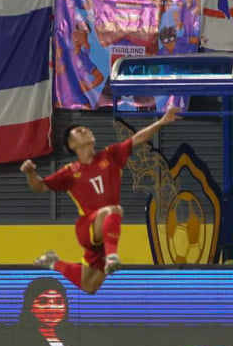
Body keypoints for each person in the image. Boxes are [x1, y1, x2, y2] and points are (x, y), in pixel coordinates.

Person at [20, 107, 183, 295]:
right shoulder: (70, 171)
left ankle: (52, 262)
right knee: (113, 210)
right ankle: (112, 256)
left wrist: (161, 122)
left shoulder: (110, 155)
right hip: (87, 226)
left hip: (106, 231)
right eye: (79, 131)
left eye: (86, 129)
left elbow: (137, 139)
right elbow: (39, 187)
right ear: (73, 145)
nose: (86, 131)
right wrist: (30, 173)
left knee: (90, 285)